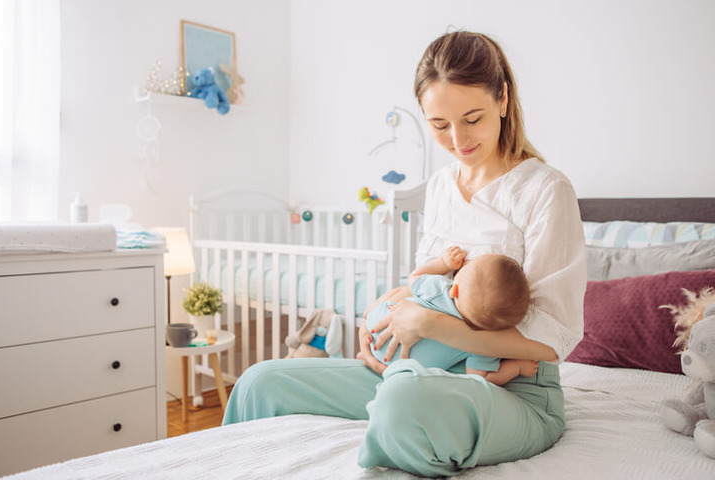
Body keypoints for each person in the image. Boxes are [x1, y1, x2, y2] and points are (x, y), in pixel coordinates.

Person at [222, 31, 586, 477]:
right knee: (261, 382)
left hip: (511, 390)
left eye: (473, 118)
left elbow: (552, 339)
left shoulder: (545, 190)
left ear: (503, 99)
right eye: (440, 126)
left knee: (404, 401)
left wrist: (432, 324)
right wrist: (382, 315)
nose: (458, 139)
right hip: (411, 367)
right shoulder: (438, 189)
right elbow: (428, 284)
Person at [366, 245, 539, 384]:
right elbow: (481, 377)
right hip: (408, 370)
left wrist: (444, 264)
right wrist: (517, 368)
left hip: (377, 330)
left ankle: (371, 314)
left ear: (454, 289)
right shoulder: (485, 342)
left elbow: (414, 277)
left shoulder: (439, 287)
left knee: (399, 293)